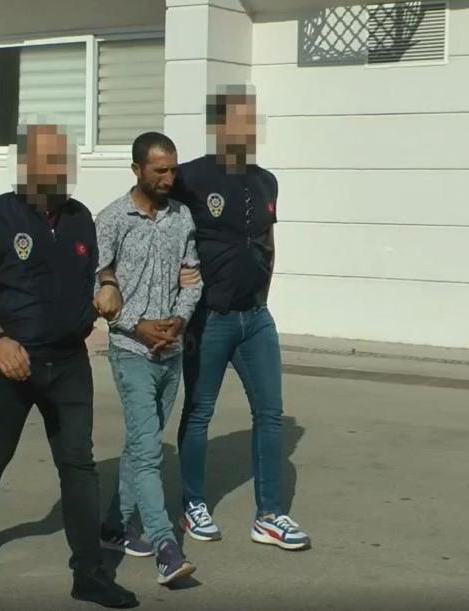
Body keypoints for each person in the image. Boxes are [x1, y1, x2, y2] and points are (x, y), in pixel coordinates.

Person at [0, 123, 137, 609]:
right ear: (26, 165)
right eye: (49, 160)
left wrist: (109, 287)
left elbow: (100, 268)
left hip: (68, 362)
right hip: (9, 363)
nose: (59, 170)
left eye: (63, 160)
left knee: (78, 462)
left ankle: (89, 573)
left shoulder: (80, 218)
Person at [170, 85, 311, 550]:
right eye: (238, 120)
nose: (247, 129)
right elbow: (158, 225)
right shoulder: (189, 177)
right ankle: (193, 504)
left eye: (252, 121)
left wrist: (263, 296)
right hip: (209, 318)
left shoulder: (267, 181)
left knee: (269, 414)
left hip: (256, 318)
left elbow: (267, 239)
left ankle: (269, 515)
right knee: (199, 414)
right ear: (218, 126)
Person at [94, 132, 201, 585]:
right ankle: (165, 547)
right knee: (149, 451)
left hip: (170, 351)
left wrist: (178, 320)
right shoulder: (111, 220)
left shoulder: (182, 218)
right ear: (137, 169)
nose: (168, 178)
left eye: (173, 170)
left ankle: (113, 526)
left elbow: (192, 278)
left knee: (142, 444)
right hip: (131, 352)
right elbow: (95, 286)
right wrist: (135, 324)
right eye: (160, 170)